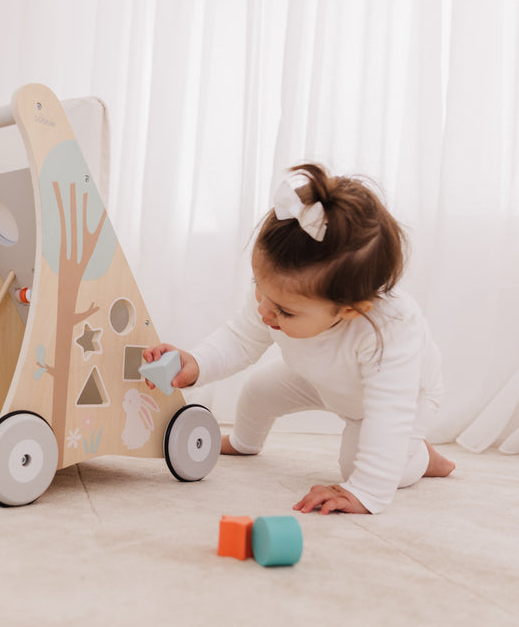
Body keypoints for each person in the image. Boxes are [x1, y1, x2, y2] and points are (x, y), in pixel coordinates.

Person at [144, 163, 455, 515]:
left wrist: (365, 490)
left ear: (349, 310)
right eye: (258, 289)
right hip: (323, 378)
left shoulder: (389, 330)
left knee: (360, 465)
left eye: (284, 312)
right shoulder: (277, 295)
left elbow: (389, 414)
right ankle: (246, 443)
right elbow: (241, 337)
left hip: (398, 401)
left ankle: (420, 457)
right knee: (258, 389)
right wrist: (196, 363)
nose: (264, 311)